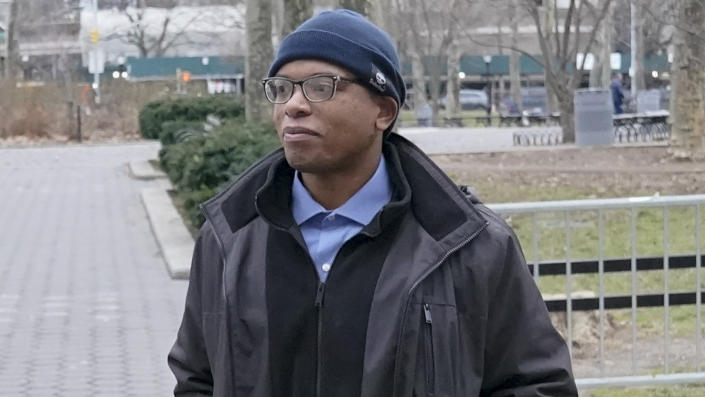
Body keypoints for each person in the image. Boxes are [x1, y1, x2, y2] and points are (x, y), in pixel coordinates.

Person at [168, 9, 577, 397]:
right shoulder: (228, 239)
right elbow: (197, 380)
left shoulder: (469, 246)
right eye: (282, 88)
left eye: (320, 86)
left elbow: (537, 385)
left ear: (383, 110)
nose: (293, 105)